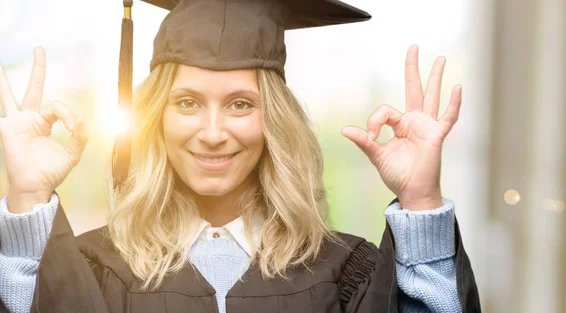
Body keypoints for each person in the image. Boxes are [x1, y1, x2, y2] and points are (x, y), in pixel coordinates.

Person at [0, 0, 480, 312]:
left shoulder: (342, 271)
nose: (213, 133)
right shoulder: (96, 269)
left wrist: (421, 201)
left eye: (240, 104)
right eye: (187, 103)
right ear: (156, 118)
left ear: (275, 119)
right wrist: (27, 197)